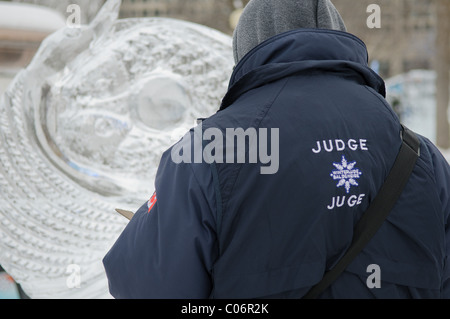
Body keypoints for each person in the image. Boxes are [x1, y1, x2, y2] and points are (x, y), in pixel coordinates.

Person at [103, 0, 450, 299]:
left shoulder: (211, 150)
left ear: (247, 49)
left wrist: (153, 222)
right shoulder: (422, 156)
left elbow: (145, 284)